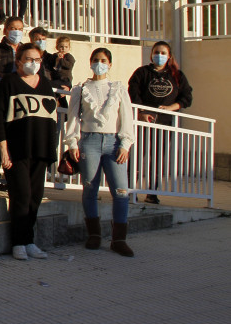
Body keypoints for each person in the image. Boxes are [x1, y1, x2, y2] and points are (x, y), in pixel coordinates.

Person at [0, 42, 58, 261]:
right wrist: (3, 149)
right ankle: (18, 242)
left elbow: (51, 120)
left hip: (40, 149)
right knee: (21, 195)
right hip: (17, 149)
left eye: (37, 60)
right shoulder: (9, 82)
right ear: (18, 61)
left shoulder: (45, 84)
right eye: (28, 59)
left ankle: (30, 241)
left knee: (35, 197)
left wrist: (51, 149)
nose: (33, 64)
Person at [64, 48, 136, 257]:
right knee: (90, 188)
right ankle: (94, 235)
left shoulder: (118, 88)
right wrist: (73, 143)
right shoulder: (81, 88)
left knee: (121, 191)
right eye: (95, 60)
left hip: (113, 142)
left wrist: (125, 143)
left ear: (110, 64)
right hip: (90, 141)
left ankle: (119, 239)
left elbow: (126, 117)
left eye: (103, 60)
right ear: (90, 62)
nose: (99, 63)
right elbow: (74, 117)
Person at [128, 41, 193, 204]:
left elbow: (186, 97)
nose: (160, 55)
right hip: (142, 120)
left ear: (169, 56)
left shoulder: (177, 76)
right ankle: (130, 190)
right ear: (151, 54)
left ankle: (152, 192)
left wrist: (172, 107)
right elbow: (133, 93)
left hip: (164, 122)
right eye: (157, 52)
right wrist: (142, 112)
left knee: (157, 157)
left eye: (163, 53)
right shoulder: (142, 73)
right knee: (137, 155)